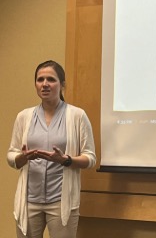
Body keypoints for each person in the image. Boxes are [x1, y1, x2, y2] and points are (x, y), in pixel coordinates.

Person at [7, 60, 97, 238]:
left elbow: (90, 158)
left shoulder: (77, 115)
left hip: (61, 201)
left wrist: (66, 160)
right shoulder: (24, 116)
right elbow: (11, 154)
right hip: (29, 201)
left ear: (62, 84)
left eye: (51, 79)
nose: (45, 84)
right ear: (36, 84)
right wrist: (22, 158)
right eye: (40, 80)